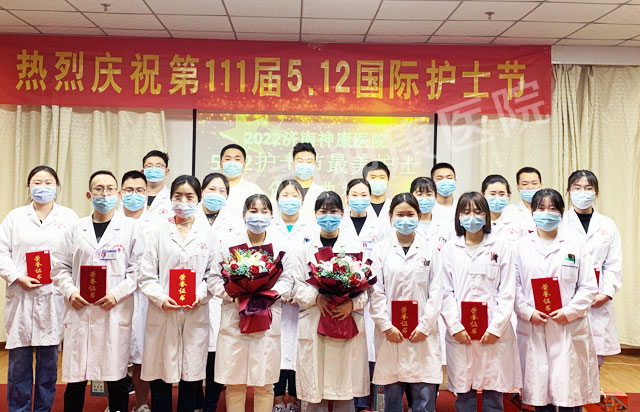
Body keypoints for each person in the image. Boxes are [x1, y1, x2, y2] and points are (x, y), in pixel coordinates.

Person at [52, 170, 142, 412]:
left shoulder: (131, 228)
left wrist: (116, 294)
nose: (104, 194)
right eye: (99, 189)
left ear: (118, 193)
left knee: (116, 377)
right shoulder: (75, 228)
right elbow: (59, 267)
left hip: (114, 310)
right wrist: (71, 291)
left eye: (110, 189)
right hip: (80, 310)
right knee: (76, 379)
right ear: (89, 194)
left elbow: (138, 269)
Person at [0, 166, 78, 412]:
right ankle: (18, 409)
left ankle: (43, 409)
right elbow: (1, 252)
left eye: (48, 182)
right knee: (18, 364)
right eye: (37, 182)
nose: (42, 187)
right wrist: (17, 276)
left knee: (48, 364)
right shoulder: (15, 217)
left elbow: (76, 255)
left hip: (53, 295)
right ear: (29, 186)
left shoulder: (69, 218)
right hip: (21, 295)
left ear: (56, 186)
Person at [513, 189, 599, 411]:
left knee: (569, 393)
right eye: (541, 208)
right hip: (534, 326)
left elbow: (589, 286)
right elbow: (514, 287)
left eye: (552, 208)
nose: (546, 213)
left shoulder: (576, 243)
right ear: (532, 212)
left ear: (561, 212)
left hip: (568, 327)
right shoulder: (520, 246)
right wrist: (528, 312)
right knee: (540, 395)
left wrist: (569, 311)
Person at [211, 194, 294, 412]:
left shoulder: (281, 246)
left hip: (266, 319)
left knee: (265, 383)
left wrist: (268, 295)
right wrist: (234, 295)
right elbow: (213, 280)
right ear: (243, 215)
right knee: (235, 381)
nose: (258, 216)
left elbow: (288, 280)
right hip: (235, 318)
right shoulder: (228, 244)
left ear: (272, 215)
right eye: (253, 211)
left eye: (264, 211)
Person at [440, 192, 521, 412]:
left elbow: (507, 291)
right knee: (463, 392)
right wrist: (455, 327)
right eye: (466, 212)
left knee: (493, 392)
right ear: (458, 216)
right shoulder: (449, 250)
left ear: (486, 215)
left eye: (477, 211)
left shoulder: (501, 247)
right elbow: (445, 292)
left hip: (493, 332)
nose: (472, 217)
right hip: (461, 332)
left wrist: (496, 328)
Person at [137, 175, 213, 412]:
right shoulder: (158, 232)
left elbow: (212, 275)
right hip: (163, 312)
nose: (183, 202)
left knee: (190, 376)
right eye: (178, 196)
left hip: (194, 312)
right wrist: (161, 298)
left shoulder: (208, 234)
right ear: (170, 199)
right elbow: (146, 275)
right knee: (161, 374)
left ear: (199, 200)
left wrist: (200, 295)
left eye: (190, 196)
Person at [292, 191, 369, 412]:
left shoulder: (354, 247)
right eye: (323, 211)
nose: (328, 216)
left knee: (345, 388)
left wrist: (351, 305)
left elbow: (366, 288)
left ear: (342, 214)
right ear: (315, 214)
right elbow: (296, 285)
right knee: (315, 390)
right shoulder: (304, 248)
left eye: (333, 211)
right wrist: (316, 298)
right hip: (315, 319)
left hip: (345, 320)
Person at [368, 193, 443, 412]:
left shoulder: (430, 251)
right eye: (400, 214)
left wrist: (425, 326)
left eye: (410, 214)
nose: (405, 219)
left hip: (423, 335)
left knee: (424, 398)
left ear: (418, 215)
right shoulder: (380, 250)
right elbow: (376, 292)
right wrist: (386, 326)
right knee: (392, 398)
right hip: (391, 334)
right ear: (390, 217)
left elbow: (436, 292)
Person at [562, 170, 622, 366]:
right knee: (567, 358)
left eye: (588, 188)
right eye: (577, 188)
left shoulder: (607, 225)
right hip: (568, 297)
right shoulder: (561, 222)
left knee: (595, 359)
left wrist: (606, 293)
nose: (583, 192)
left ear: (596, 192)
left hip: (598, 299)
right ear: (569, 191)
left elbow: (613, 263)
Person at [271, 179, 319, 412]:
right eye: (285, 195)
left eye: (295, 195)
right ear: (277, 199)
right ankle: (278, 399)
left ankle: (297, 400)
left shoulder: (312, 229)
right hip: (275, 300)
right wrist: (279, 291)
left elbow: (315, 264)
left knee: (300, 349)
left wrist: (299, 292)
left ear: (302, 200)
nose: (289, 200)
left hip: (303, 300)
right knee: (278, 350)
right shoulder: (270, 227)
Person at [195, 172, 240, 412]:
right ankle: (194, 400)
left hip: (221, 294)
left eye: (222, 191)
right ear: (202, 192)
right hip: (192, 292)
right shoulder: (188, 217)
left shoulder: (235, 222)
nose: (216, 194)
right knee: (194, 352)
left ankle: (210, 403)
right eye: (212, 189)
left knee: (215, 353)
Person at [340, 178, 386, 410]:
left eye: (363, 195)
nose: (359, 199)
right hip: (346, 295)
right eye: (354, 195)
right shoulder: (341, 224)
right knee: (351, 349)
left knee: (371, 349)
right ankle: (350, 399)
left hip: (373, 292)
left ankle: (369, 402)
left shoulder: (380, 226)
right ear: (347, 197)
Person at [119, 170, 154, 412]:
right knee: (114, 354)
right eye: (129, 190)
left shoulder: (158, 224)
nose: (134, 195)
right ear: (121, 192)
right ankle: (115, 403)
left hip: (145, 297)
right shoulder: (110, 221)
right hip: (115, 296)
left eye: (140, 190)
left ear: (147, 193)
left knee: (142, 354)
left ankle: (141, 403)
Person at [219, 143, 264, 218]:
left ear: (244, 164)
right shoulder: (212, 188)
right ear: (221, 164)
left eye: (237, 159)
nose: (232, 163)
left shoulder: (254, 189)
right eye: (228, 159)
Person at [410, 176, 452, 249]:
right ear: (411, 196)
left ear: (435, 197)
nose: (424, 198)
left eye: (429, 194)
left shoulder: (446, 222)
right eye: (419, 194)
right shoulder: (406, 221)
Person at [481, 174, 525, 243]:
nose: (497, 198)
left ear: (508, 195)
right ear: (482, 195)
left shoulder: (517, 220)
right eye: (492, 194)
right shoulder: (477, 221)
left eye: (502, 194)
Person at [290, 142, 325, 221]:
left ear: (316, 165)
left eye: (309, 162)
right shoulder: (282, 192)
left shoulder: (323, 193)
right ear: (293, 165)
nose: (304, 165)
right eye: (300, 161)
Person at [503, 167, 542, 234]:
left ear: (540, 186)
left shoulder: (550, 210)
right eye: (525, 184)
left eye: (534, 183)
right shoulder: (508, 211)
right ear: (518, 188)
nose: (530, 187)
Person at [141, 150, 172, 218]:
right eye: (149, 166)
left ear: (166, 171)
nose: (154, 169)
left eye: (159, 166)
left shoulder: (172, 197)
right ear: (143, 172)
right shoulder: (133, 195)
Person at [362, 161, 392, 226]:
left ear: (388, 181)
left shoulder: (394, 206)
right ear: (364, 181)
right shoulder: (356, 207)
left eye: (382, 177)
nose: (377, 180)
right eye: (373, 177)